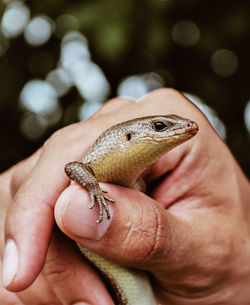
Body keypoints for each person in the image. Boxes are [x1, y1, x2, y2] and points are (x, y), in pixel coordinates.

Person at [0, 89, 249, 305]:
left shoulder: (136, 180)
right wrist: (94, 190)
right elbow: (73, 168)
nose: (182, 127)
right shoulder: (98, 163)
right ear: (129, 136)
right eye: (160, 126)